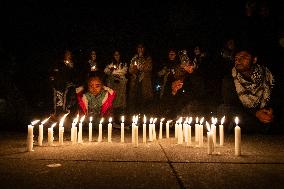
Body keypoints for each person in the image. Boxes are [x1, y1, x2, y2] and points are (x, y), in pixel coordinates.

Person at [218, 50, 278, 134]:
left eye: (244, 58)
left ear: (254, 60)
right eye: (236, 58)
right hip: (245, 116)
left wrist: (269, 111)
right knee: (224, 108)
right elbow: (231, 104)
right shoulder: (229, 79)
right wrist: (256, 113)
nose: (238, 61)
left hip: (264, 113)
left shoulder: (267, 76)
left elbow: (275, 97)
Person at [159, 50, 205, 119]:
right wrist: (173, 91)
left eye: (188, 63)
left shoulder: (194, 76)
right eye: (183, 64)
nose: (185, 65)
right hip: (178, 102)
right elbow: (170, 96)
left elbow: (196, 89)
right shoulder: (177, 74)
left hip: (192, 103)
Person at [49, 50, 78, 117]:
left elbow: (73, 74)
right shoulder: (59, 63)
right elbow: (56, 73)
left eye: (69, 54)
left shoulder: (72, 64)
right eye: (67, 54)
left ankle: (66, 111)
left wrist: (71, 67)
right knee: (58, 99)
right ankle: (56, 113)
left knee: (68, 98)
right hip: (59, 84)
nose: (68, 55)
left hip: (68, 85)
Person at [104, 50, 128, 126]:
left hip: (121, 86)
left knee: (121, 103)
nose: (116, 56)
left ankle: (121, 121)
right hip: (113, 86)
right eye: (115, 55)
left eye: (118, 54)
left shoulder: (123, 63)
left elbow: (124, 71)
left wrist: (114, 72)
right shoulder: (111, 64)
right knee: (113, 103)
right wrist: (112, 71)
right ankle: (113, 121)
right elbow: (106, 71)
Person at [128, 43, 153, 114]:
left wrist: (141, 66)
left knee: (144, 100)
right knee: (135, 100)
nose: (140, 49)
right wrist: (134, 69)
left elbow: (149, 67)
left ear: (144, 49)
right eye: (139, 48)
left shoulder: (147, 58)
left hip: (144, 81)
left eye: (141, 48)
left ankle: (144, 117)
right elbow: (130, 70)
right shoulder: (134, 58)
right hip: (135, 82)